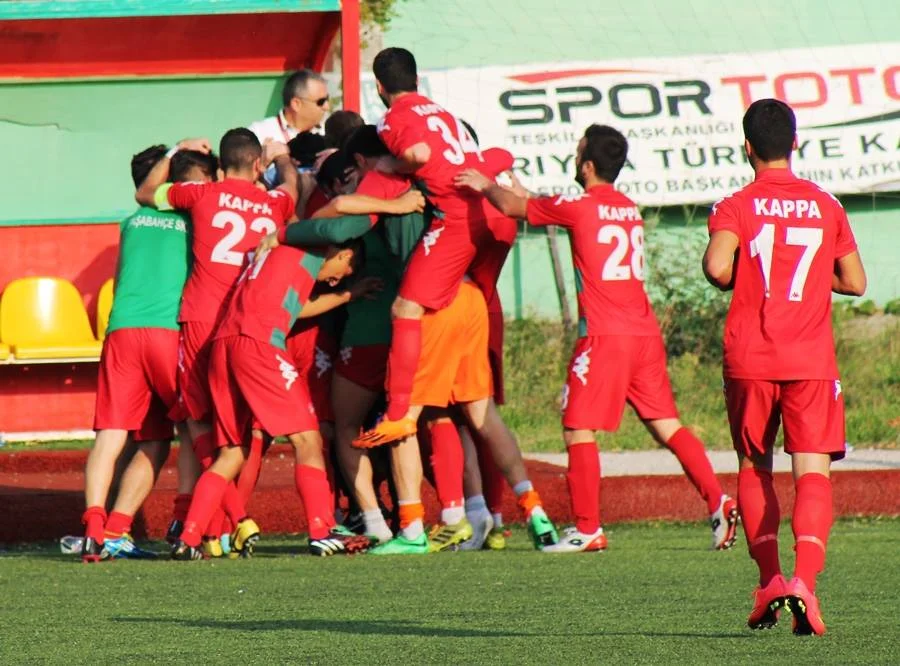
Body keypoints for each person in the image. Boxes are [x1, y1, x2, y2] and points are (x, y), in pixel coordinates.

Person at [456, 124, 738, 554]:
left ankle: (587, 528)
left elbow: (516, 207)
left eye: (577, 152)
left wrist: (485, 184)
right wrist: (523, 194)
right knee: (666, 425)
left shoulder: (579, 205)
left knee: (577, 427)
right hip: (643, 332)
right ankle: (718, 500)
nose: (574, 158)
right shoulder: (626, 207)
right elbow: (556, 209)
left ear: (587, 165)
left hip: (604, 336)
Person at [703, 99, 866, 634]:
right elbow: (856, 282)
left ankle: (770, 580)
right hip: (811, 360)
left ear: (746, 147)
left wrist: (737, 276)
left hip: (750, 357)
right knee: (812, 473)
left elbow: (716, 266)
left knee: (755, 467)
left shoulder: (736, 204)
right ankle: (806, 586)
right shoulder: (826, 204)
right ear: (793, 144)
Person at [135, 129, 298, 555]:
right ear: (258, 165)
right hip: (247, 324)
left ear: (222, 166)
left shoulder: (202, 195)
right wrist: (284, 159)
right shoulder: (276, 202)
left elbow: (146, 192)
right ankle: (222, 526)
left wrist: (177, 149)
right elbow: (296, 190)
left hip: (202, 319)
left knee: (197, 422)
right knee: (237, 435)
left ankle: (227, 522)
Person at [170, 237, 377, 559]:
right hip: (259, 343)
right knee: (308, 440)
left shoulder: (276, 258)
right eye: (343, 270)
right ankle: (321, 530)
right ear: (344, 252)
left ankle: (189, 537)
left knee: (231, 454)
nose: (337, 278)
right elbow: (338, 217)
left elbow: (297, 308)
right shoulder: (308, 247)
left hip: (223, 345)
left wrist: (348, 294)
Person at [353, 47, 501, 446]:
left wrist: (391, 166)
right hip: (489, 212)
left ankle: (400, 412)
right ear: (417, 80)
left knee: (405, 308)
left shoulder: (393, 119)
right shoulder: (446, 114)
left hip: (455, 220)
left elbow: (418, 154)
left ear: (380, 87)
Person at [81, 144, 217, 562]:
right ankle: (185, 523)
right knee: (193, 427)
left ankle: (102, 530)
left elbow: (123, 278)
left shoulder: (131, 223)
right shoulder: (196, 219)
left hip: (122, 332)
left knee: (121, 437)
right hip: (168, 333)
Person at [248, 69, 330, 144]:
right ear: (296, 104)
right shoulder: (259, 133)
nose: (327, 107)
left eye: (327, 99)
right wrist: (265, 159)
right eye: (321, 102)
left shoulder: (329, 134)